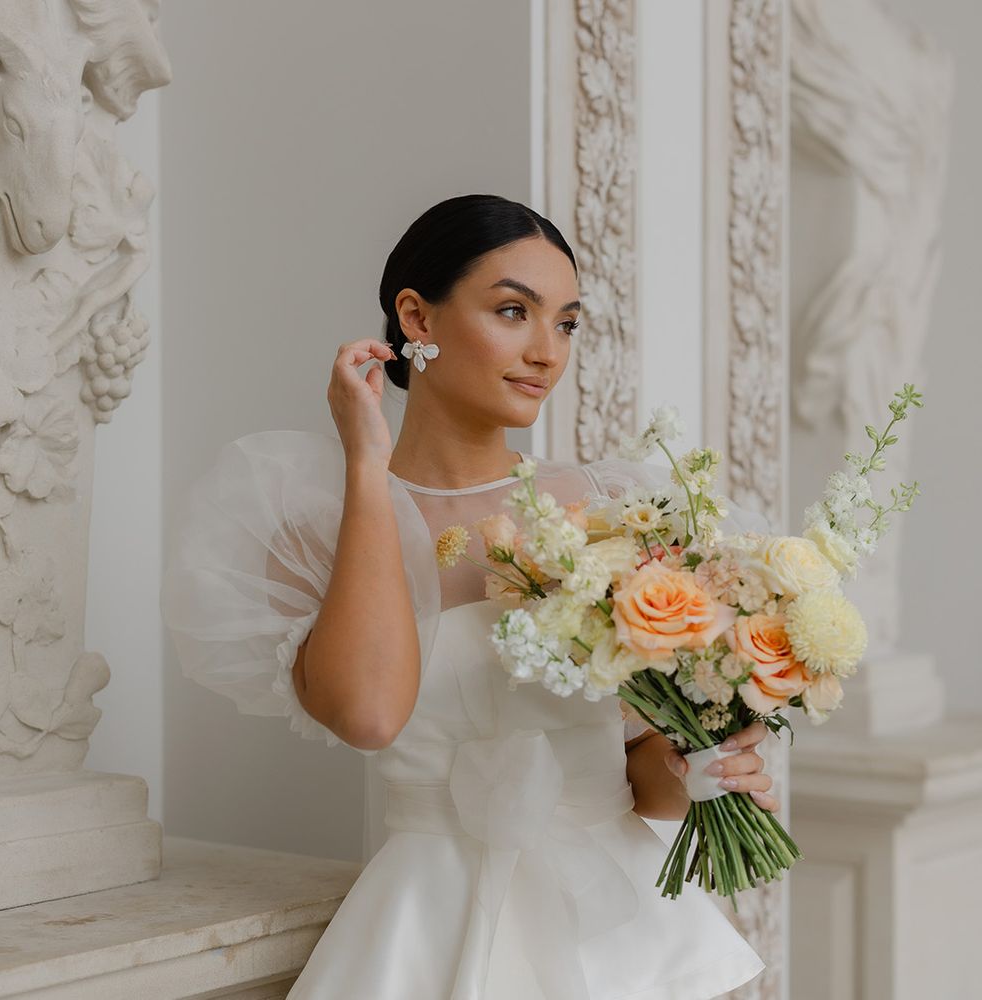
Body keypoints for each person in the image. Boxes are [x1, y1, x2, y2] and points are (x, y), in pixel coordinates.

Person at [160, 193, 780, 999]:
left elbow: (637, 779)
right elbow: (369, 717)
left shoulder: (607, 513)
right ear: (416, 318)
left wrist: (700, 769)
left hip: (621, 934)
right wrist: (366, 468)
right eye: (513, 311)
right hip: (429, 929)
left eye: (566, 323)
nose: (546, 352)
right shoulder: (321, 528)